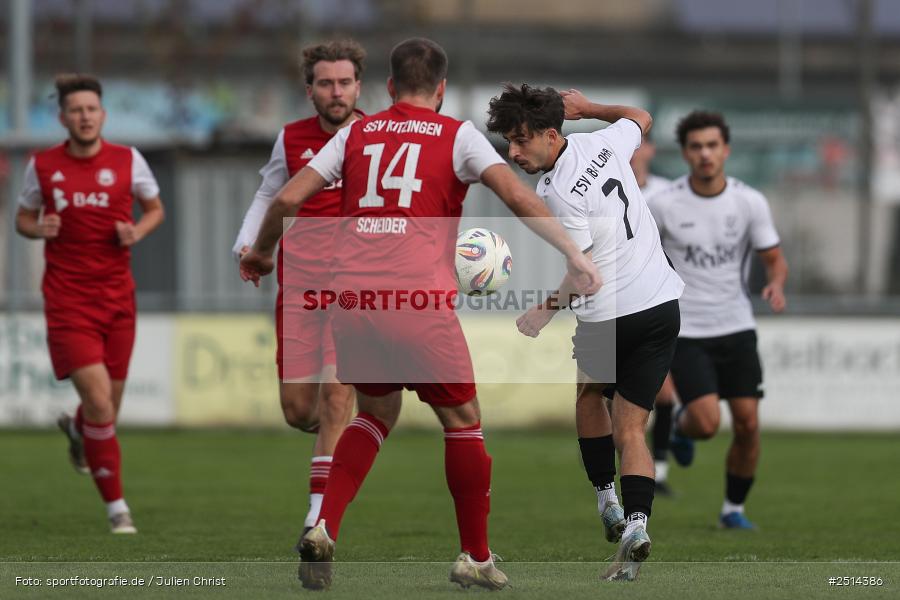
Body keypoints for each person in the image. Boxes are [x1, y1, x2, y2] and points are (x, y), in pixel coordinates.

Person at [241, 38, 600, 591]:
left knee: (374, 413)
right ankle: (476, 556)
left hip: (352, 300)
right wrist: (574, 253)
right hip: (416, 302)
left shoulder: (355, 133)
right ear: (441, 89)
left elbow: (287, 199)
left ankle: (324, 525)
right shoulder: (456, 135)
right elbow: (516, 196)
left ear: (388, 87)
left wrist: (263, 252)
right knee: (463, 421)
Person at [487, 85, 684, 581]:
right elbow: (641, 115)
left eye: (521, 140)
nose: (513, 152)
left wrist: (543, 310)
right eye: (509, 141)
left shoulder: (556, 193)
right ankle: (637, 526)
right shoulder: (603, 141)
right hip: (661, 305)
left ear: (551, 136)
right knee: (632, 429)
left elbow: (583, 273)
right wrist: (591, 109)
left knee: (588, 395)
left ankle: (606, 498)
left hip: (610, 315)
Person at [15, 74, 165, 534]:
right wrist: (38, 229)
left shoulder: (128, 160)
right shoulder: (43, 165)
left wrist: (135, 232)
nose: (85, 117)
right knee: (100, 404)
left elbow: (155, 209)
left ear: (103, 114)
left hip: (118, 299)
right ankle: (118, 509)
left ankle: (80, 431)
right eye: (76, 110)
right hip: (68, 301)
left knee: (107, 410)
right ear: (62, 118)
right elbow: (22, 217)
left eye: (91, 109)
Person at [232, 39, 362, 538]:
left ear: (359, 87)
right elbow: (270, 194)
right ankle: (349, 428)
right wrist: (247, 244)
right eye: (326, 83)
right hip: (299, 289)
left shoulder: (376, 136)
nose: (336, 92)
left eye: (344, 82)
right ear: (310, 90)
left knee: (335, 397)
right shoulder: (290, 138)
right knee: (298, 411)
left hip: (355, 290)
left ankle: (317, 521)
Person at [646, 111, 788, 529]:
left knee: (747, 424)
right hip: (687, 330)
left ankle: (733, 510)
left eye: (712, 145)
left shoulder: (749, 201)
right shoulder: (663, 204)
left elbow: (774, 259)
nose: (705, 154)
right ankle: (681, 429)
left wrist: (776, 283)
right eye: (696, 146)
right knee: (707, 424)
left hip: (737, 326)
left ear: (725, 150)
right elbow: (641, 258)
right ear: (685, 153)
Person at [630, 132, 678, 497]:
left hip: (663, 299)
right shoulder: (606, 188)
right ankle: (640, 471)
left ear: (651, 149)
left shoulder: (666, 194)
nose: (635, 149)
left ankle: (657, 471)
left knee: (666, 396)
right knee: (623, 402)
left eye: (641, 142)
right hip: (621, 302)